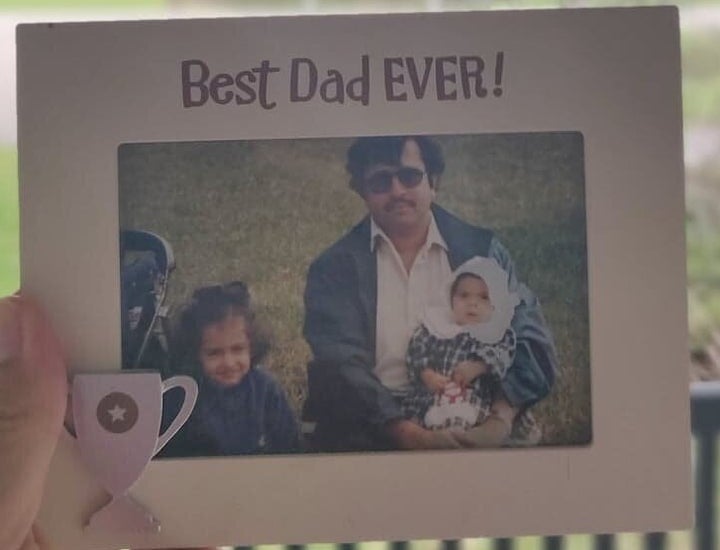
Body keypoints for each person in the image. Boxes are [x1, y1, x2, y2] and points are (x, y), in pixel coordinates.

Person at [303, 135, 557, 452]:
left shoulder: (481, 250)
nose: (397, 191)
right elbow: (340, 365)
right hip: (374, 422)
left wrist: (499, 421)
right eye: (380, 181)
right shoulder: (333, 268)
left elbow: (531, 338)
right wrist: (408, 434)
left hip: (479, 409)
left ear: (433, 181)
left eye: (409, 176)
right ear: (363, 192)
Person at [160, 281, 299, 457]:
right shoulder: (182, 397)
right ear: (194, 353)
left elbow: (290, 448)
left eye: (238, 349)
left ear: (252, 346)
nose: (229, 362)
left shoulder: (266, 389)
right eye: (214, 353)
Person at [402, 256, 520, 447]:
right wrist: (427, 374)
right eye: (464, 295)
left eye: (483, 297)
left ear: (494, 304)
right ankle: (428, 435)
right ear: (451, 299)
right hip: (434, 391)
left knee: (468, 415)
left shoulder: (493, 333)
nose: (472, 303)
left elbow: (504, 354)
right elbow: (417, 350)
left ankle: (458, 436)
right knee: (417, 414)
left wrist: (478, 366)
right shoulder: (437, 327)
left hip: (471, 392)